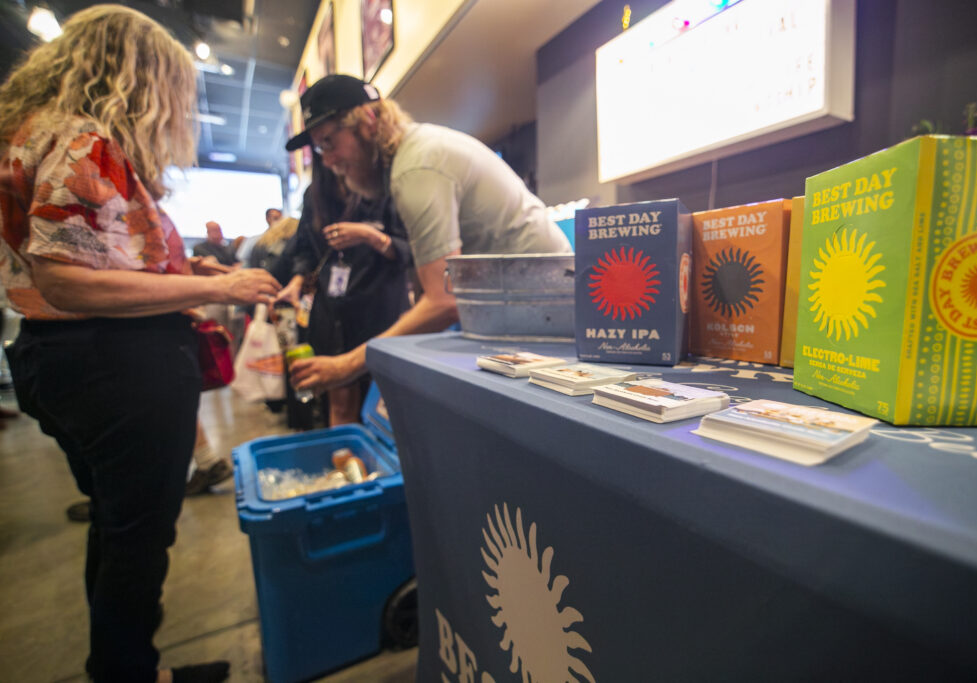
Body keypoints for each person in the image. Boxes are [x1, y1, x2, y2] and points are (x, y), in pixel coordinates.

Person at [0, 6, 281, 682]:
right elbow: (70, 281)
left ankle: (127, 665)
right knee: (139, 542)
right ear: (141, 77)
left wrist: (189, 273)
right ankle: (127, 670)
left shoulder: (28, 133)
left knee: (115, 524)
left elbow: (88, 261)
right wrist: (218, 288)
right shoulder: (85, 138)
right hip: (117, 366)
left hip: (55, 359)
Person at [284, 74, 571, 395]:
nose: (329, 161)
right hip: (519, 302)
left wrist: (346, 365)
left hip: (541, 304)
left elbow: (442, 302)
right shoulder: (413, 154)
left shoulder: (415, 168)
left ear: (367, 119)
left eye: (328, 143)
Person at [273, 153, 412, 425]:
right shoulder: (316, 193)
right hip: (332, 312)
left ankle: (381, 463)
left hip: (380, 310)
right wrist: (296, 283)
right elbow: (305, 248)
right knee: (339, 395)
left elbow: (412, 251)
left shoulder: (388, 187)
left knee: (384, 399)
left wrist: (370, 236)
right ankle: (344, 460)